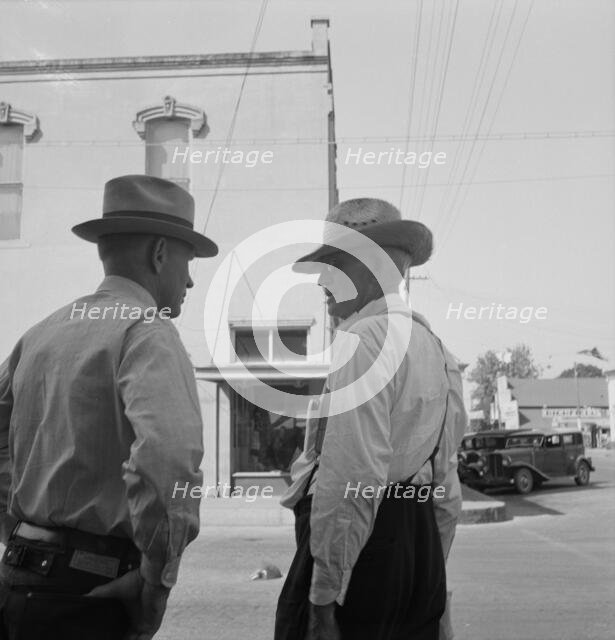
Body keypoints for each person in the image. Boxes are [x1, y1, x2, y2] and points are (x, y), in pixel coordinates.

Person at [0, 175, 218, 639]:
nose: (191, 279)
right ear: (160, 252)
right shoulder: (146, 333)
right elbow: (170, 459)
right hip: (93, 590)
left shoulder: (40, 334)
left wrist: (17, 529)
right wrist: (154, 581)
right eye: (188, 261)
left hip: (17, 580)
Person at [274, 198, 466, 640]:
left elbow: (351, 477)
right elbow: (446, 485)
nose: (323, 281)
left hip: (364, 559)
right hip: (417, 550)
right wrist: (428, 575)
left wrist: (323, 598)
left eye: (333, 264)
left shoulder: (365, 340)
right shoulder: (436, 349)